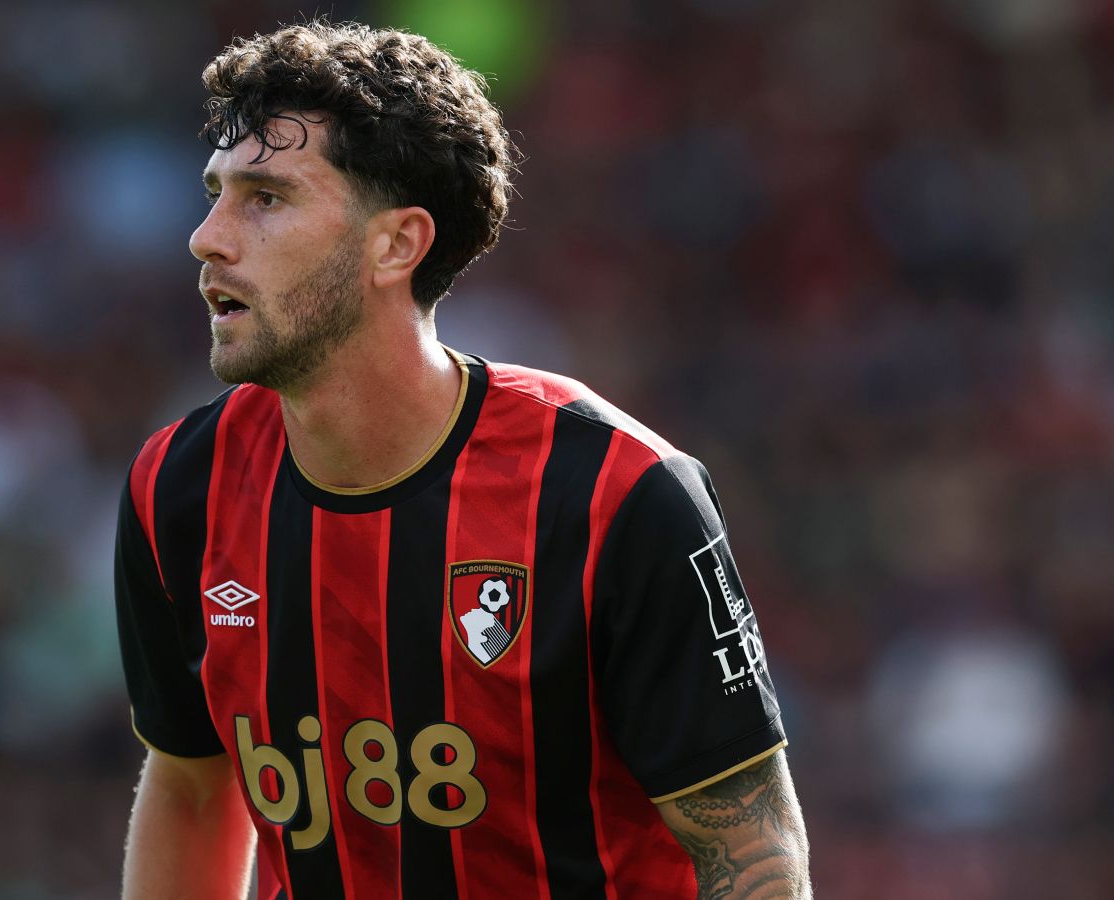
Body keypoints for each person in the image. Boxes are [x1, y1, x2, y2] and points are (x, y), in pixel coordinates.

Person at [114, 19, 811, 900]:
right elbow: (190, 786)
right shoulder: (178, 486)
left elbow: (751, 853)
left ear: (397, 244)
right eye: (216, 193)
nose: (207, 236)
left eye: (267, 199)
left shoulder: (614, 493)